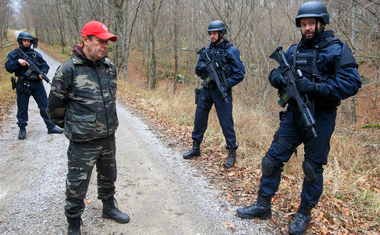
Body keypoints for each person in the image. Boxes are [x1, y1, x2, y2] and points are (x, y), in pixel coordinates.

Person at [236, 1, 362, 234]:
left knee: (312, 169)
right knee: (271, 161)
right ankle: (263, 205)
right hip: (293, 117)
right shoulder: (293, 51)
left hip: (320, 119)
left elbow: (352, 83)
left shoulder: (338, 49)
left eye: (311, 23)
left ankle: (304, 213)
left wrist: (314, 87)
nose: (307, 28)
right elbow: (274, 73)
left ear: (321, 23)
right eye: (303, 24)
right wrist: (278, 79)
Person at [46, 21, 129, 234]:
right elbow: (54, 109)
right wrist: (76, 127)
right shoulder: (68, 70)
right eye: (100, 40)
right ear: (85, 40)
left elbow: (110, 98)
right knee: (77, 184)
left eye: (107, 41)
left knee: (109, 175)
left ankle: (109, 208)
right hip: (82, 142)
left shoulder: (108, 67)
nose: (105, 45)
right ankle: (73, 223)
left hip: (108, 137)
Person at [183, 20, 245, 168]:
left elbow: (240, 73)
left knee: (226, 123)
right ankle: (196, 148)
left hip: (222, 93)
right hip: (206, 91)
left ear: (221, 33)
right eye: (210, 33)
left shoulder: (231, 51)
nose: (212, 36)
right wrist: (204, 67)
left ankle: (231, 152)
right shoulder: (206, 51)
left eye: (214, 33)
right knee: (199, 120)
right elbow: (198, 69)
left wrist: (224, 84)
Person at [5, 31, 63, 140]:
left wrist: (43, 73)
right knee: (22, 108)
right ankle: (22, 128)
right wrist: (18, 62)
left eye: (28, 41)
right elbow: (8, 67)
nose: (27, 43)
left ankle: (50, 126)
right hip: (23, 84)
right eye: (25, 41)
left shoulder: (35, 54)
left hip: (37, 84)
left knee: (45, 106)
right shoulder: (15, 54)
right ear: (20, 41)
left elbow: (45, 65)